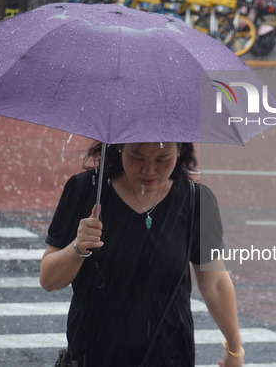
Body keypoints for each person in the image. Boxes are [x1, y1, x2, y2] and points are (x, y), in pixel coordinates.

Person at [39, 142, 244, 367]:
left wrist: (234, 349)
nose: (148, 170)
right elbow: (49, 280)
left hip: (169, 355)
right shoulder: (86, 190)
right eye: (137, 157)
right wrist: (78, 247)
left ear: (178, 152)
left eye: (162, 159)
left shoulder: (195, 200)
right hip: (94, 352)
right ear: (120, 148)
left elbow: (214, 283)